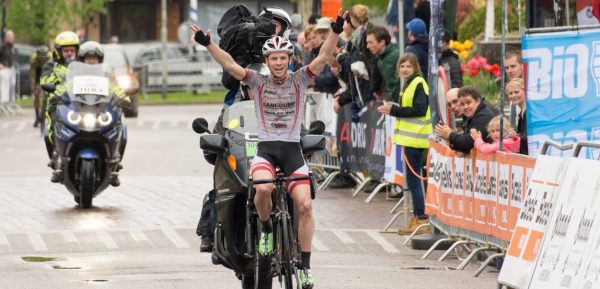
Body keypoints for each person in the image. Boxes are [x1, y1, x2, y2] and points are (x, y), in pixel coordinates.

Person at [190, 10, 346, 288]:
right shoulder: (256, 82)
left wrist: (335, 31)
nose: (278, 63)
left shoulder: (299, 79)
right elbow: (228, 64)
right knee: (262, 188)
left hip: (292, 153)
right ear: (267, 61)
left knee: (306, 205)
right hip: (266, 151)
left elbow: (322, 58)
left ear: (289, 60)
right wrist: (207, 43)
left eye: (282, 58)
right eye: (273, 58)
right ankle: (264, 229)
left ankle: (306, 267)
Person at [377, 53, 431, 235]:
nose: (405, 69)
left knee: (414, 181)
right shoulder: (408, 84)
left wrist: (395, 110)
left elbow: (419, 109)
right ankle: (417, 217)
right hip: (409, 139)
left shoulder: (418, 83)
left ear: (415, 68)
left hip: (416, 138)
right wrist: (394, 109)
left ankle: (421, 218)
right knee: (412, 180)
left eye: (408, 66)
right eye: (402, 66)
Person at [41, 31, 80, 181]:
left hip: (81, 103)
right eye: (66, 51)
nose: (69, 54)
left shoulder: (82, 65)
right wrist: (53, 84)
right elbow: (45, 80)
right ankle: (55, 160)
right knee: (52, 126)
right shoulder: (51, 66)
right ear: (59, 52)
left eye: (72, 50)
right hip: (58, 103)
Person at [433, 86, 496, 153]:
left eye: (455, 101)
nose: (453, 107)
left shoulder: (484, 115)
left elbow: (468, 143)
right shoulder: (470, 114)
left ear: (477, 101)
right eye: (462, 104)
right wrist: (450, 140)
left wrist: (450, 134)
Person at [366, 26, 400, 103]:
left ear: (382, 43)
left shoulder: (396, 55)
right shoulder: (380, 59)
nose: (367, 46)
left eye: (370, 42)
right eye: (367, 42)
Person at [505, 78, 528, 154]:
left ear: (525, 91)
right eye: (510, 93)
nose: (513, 95)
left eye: (516, 92)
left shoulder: (528, 111)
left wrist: (514, 137)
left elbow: (526, 139)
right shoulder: (522, 111)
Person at [30, 46, 50, 128]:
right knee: (36, 95)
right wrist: (33, 85)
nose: (42, 58)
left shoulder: (50, 60)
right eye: (40, 56)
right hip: (38, 78)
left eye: (44, 56)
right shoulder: (34, 61)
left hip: (48, 78)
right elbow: (32, 74)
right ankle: (37, 116)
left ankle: (47, 115)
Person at [0, 30, 16, 104]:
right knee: (4, 86)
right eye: (9, 37)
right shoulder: (2, 46)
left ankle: (10, 102)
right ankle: (4, 102)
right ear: (6, 37)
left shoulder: (12, 47)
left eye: (12, 37)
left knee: (12, 85)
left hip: (11, 68)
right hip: (4, 69)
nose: (11, 38)